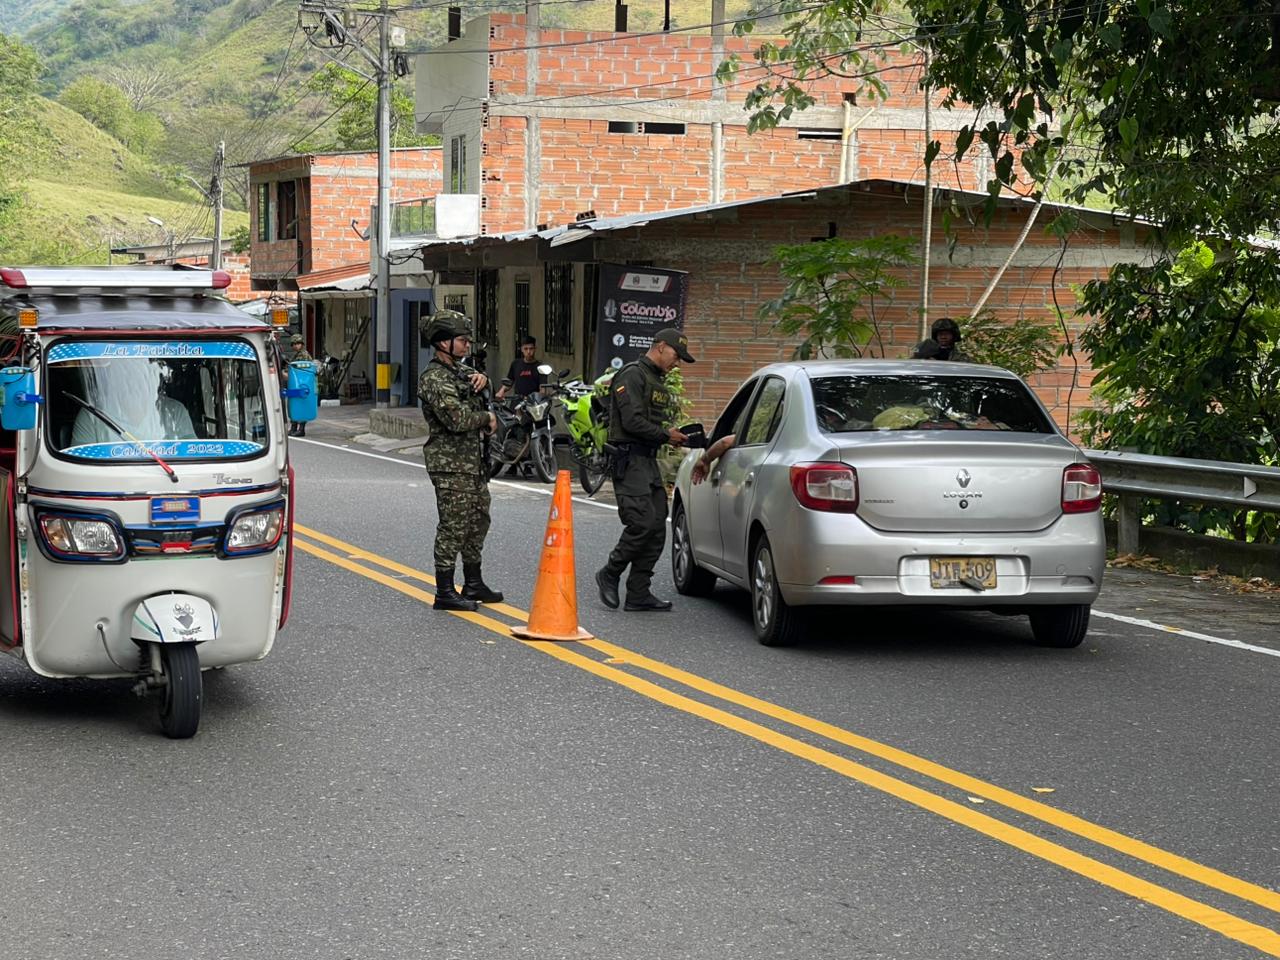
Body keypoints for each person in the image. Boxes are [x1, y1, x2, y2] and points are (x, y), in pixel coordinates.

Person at [595, 328, 694, 613]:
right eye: (676, 356)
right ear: (661, 347)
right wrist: (666, 435)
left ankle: (639, 592)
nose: (676, 364)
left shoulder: (656, 380)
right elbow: (631, 421)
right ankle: (610, 572)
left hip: (648, 462)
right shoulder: (632, 375)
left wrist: (672, 436)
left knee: (656, 528)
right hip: (630, 461)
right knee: (640, 523)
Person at [417, 309, 503, 612]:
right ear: (443, 343)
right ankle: (444, 590)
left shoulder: (458, 371)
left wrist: (485, 379)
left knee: (478, 521)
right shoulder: (434, 379)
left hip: (473, 462)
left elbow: (480, 387)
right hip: (450, 464)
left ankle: (473, 581)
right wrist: (487, 417)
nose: (467, 346)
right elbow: (457, 419)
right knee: (453, 526)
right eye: (462, 341)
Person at [69, 363, 197, 448]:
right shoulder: (92, 415)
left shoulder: (174, 411)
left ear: (152, 383)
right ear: (112, 382)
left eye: (140, 378)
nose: (132, 385)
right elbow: (83, 469)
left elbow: (192, 454)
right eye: (124, 378)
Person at [496, 336, 546, 400]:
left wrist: (539, 399)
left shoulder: (540, 367)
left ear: (535, 349)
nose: (528, 352)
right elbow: (509, 382)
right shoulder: (515, 364)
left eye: (531, 349)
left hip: (533, 404)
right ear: (522, 349)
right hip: (517, 401)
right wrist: (501, 391)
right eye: (526, 349)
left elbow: (542, 389)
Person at [289, 334, 313, 437]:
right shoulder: (297, 354)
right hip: (296, 383)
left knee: (301, 405)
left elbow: (304, 370)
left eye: (298, 343)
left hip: (302, 383)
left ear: (301, 344)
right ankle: (294, 427)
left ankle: (301, 429)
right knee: (294, 405)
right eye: (294, 344)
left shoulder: (304, 355)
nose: (295, 346)